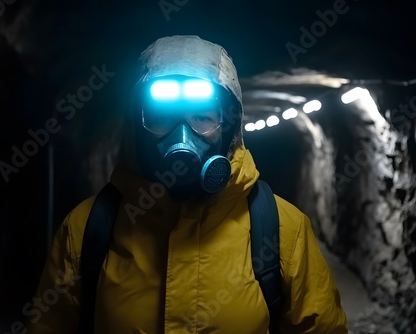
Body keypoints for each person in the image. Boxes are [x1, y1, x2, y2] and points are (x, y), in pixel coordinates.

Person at [26, 35, 348, 333]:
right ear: (136, 128)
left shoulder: (283, 230)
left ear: (229, 129)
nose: (183, 137)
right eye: (161, 118)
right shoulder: (86, 231)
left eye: (202, 118)